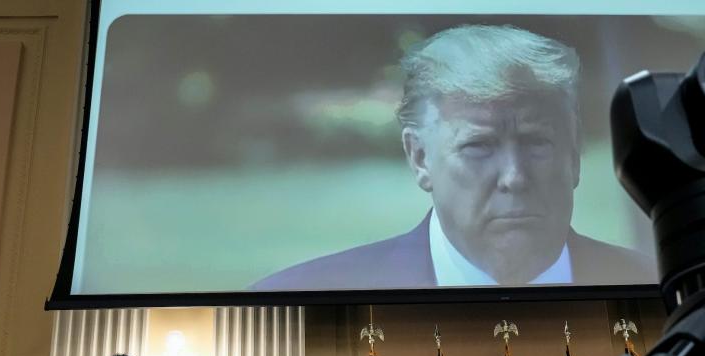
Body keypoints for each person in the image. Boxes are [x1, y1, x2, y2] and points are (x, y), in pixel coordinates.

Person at [251, 24, 654, 291]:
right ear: (420, 157)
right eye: (479, 146)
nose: (514, 176)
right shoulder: (293, 298)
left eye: (536, 142)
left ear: (574, 153)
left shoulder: (668, 294)